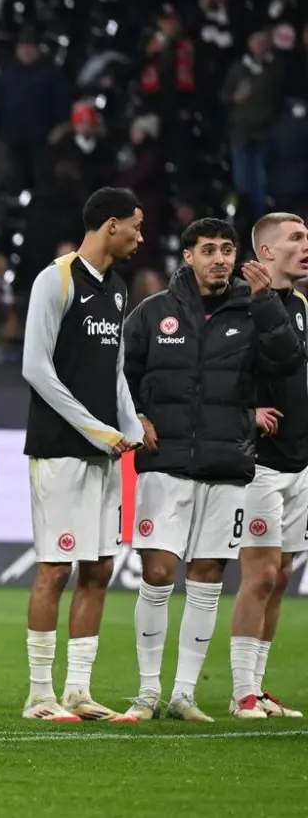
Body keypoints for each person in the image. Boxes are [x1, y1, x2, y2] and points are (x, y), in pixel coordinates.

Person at [123, 218, 303, 721]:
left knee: (206, 576)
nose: (220, 258)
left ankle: (183, 695)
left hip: (227, 463)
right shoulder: (154, 313)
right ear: (188, 256)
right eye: (209, 250)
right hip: (166, 461)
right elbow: (123, 374)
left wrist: (267, 303)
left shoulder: (253, 310)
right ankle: (146, 692)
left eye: (227, 249)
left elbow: (289, 361)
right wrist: (134, 415)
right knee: (157, 571)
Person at [19, 186, 145, 722]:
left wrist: (130, 422)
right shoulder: (57, 278)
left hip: (104, 453)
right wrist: (95, 428)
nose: (141, 237)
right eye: (136, 226)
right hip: (61, 450)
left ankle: (78, 690)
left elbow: (113, 370)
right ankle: (39, 694)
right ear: (110, 224)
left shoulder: (117, 289)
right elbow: (35, 367)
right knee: (55, 570)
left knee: (98, 569)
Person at [240, 212, 308, 718]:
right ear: (267, 252)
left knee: (282, 575)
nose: (306, 246)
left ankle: (260, 688)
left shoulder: (302, 305)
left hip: (298, 461)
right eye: (297, 238)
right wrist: (246, 413)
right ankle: (242, 692)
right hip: (258, 462)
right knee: (260, 574)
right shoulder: (243, 307)